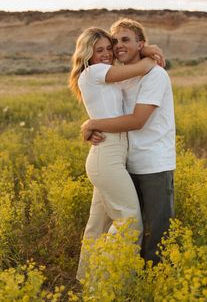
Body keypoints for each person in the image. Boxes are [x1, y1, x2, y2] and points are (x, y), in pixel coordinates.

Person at [69, 27, 162, 280]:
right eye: (99, 50)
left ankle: (86, 280)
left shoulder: (100, 75)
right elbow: (141, 68)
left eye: (108, 49)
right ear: (87, 53)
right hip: (107, 155)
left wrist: (91, 125)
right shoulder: (95, 71)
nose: (106, 54)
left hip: (109, 154)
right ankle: (107, 284)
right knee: (129, 220)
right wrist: (148, 50)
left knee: (98, 225)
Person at [81, 18, 176, 265]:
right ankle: (99, 278)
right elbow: (106, 109)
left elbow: (137, 120)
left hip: (153, 163)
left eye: (126, 40)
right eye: (115, 41)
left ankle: (155, 284)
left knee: (156, 233)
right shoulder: (118, 76)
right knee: (117, 223)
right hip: (124, 162)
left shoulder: (155, 75)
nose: (117, 46)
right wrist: (90, 125)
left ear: (140, 43)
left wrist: (93, 124)